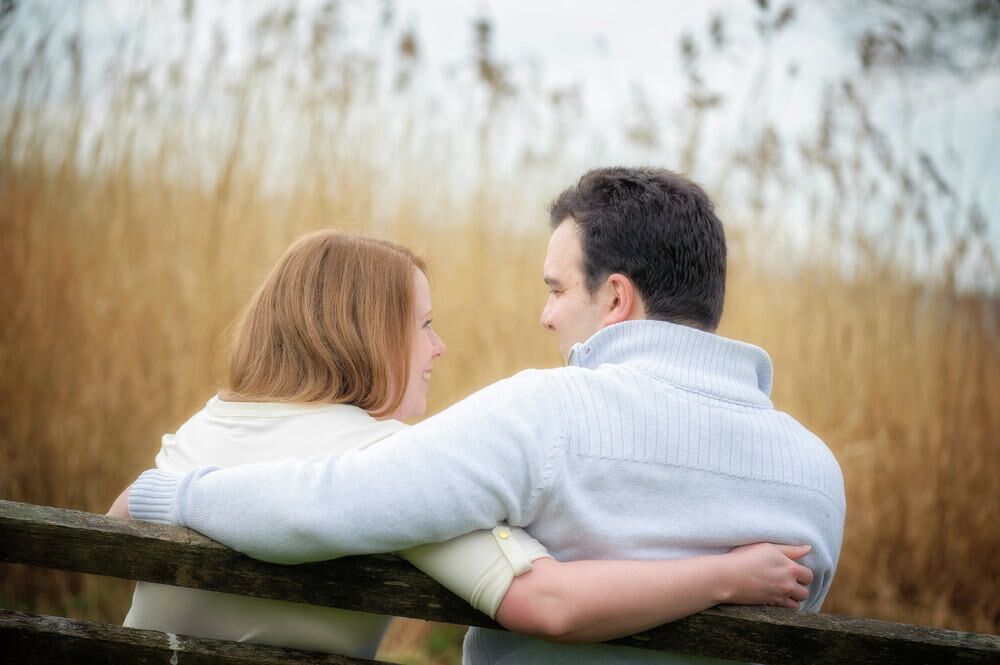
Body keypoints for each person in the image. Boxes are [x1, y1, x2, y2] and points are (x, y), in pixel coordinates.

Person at [116, 168, 846, 664]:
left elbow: (327, 502)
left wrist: (168, 489)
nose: (544, 314)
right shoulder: (817, 474)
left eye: (557, 289)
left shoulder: (542, 416)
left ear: (617, 299)